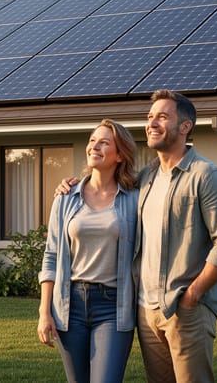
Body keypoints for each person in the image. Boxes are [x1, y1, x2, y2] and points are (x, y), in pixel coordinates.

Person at [57, 90, 217, 382]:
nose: (152, 123)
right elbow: (105, 186)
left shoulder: (206, 176)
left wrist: (192, 295)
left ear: (185, 127)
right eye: (150, 117)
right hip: (146, 310)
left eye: (163, 117)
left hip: (185, 309)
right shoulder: (145, 179)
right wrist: (76, 183)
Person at [37, 118, 139, 383]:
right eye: (92, 140)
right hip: (70, 307)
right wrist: (44, 312)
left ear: (119, 155)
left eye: (104, 142)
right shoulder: (66, 197)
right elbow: (51, 256)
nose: (95, 146)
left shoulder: (134, 199)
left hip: (113, 307)